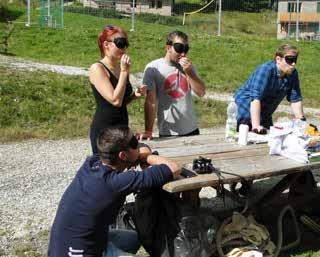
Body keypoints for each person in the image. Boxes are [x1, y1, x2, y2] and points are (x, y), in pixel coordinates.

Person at [48, 126, 180, 257]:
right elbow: (173, 168)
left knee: (133, 239)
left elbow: (138, 151)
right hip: (77, 253)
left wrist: (137, 152)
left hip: (69, 243)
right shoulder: (114, 183)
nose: (138, 145)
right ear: (123, 155)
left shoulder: (92, 163)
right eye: (134, 143)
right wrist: (146, 157)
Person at [89, 25, 147, 154]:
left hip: (121, 127)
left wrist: (134, 96)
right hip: (105, 130)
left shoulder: (119, 68)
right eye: (120, 43)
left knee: (125, 166)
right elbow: (115, 100)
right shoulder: (97, 68)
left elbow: (121, 102)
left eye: (126, 44)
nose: (124, 48)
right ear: (106, 44)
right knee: (107, 170)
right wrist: (125, 71)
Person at [140, 30, 206, 139]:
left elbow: (201, 92)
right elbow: (151, 101)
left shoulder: (189, 67)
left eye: (185, 49)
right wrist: (148, 130)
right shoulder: (154, 68)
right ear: (168, 48)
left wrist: (189, 72)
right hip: (168, 132)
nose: (183, 54)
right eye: (179, 48)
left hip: (192, 130)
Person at [234, 44, 305, 134]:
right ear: (278, 59)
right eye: (290, 60)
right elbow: (255, 98)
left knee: (270, 136)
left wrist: (302, 123)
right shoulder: (266, 70)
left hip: (265, 112)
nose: (293, 64)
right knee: (247, 134)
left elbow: (295, 99)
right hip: (246, 107)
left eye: (295, 60)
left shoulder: (293, 73)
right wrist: (256, 126)